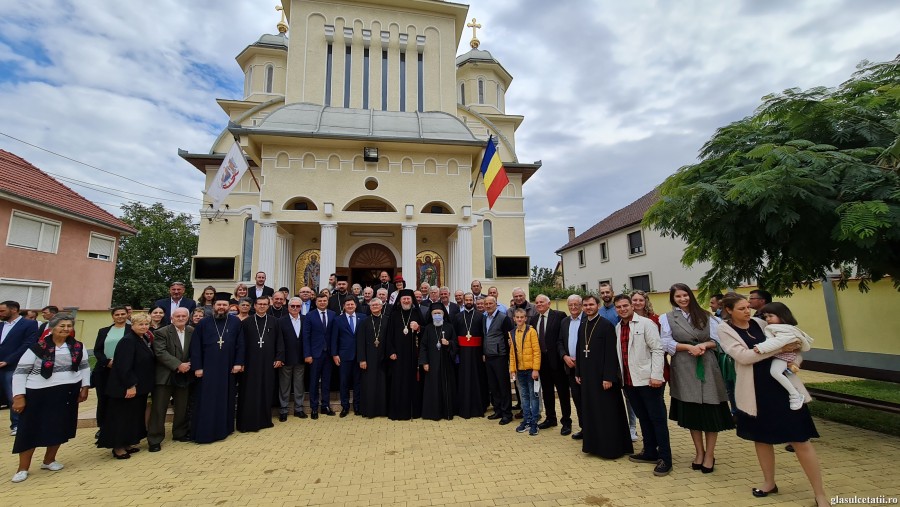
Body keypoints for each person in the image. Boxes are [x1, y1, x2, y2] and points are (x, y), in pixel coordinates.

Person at [717, 293, 826, 506]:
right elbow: (744, 357)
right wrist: (777, 349)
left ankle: (820, 493)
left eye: (748, 307)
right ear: (729, 310)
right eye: (741, 308)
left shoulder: (761, 322)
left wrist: (793, 359)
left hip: (784, 388)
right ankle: (769, 482)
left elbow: (794, 345)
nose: (748, 312)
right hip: (755, 391)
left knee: (800, 438)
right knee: (762, 438)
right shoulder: (725, 329)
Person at [660, 283, 733, 473]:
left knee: (710, 411)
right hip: (684, 366)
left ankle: (710, 454)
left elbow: (720, 340)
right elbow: (665, 342)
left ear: (690, 296)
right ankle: (699, 452)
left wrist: (705, 345)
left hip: (707, 364)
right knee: (692, 413)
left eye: (685, 295)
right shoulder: (667, 318)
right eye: (678, 297)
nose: (682, 299)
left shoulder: (706, 316)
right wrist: (688, 347)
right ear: (673, 299)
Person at [9, 314, 89, 483]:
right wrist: (19, 396)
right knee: (30, 429)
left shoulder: (77, 346)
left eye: (69, 326)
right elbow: (20, 372)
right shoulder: (37, 347)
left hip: (67, 391)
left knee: (59, 426)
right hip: (39, 392)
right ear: (52, 328)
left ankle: (49, 460)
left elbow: (84, 368)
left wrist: (85, 387)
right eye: (62, 326)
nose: (66, 329)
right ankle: (22, 468)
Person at [613, 295, 672, 477]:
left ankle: (665, 458)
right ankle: (649, 451)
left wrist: (656, 375)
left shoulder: (646, 324)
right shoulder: (618, 327)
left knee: (657, 419)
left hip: (649, 381)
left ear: (632, 306)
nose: (622, 309)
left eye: (625, 305)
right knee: (643, 418)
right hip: (630, 382)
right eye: (619, 307)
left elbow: (657, 349)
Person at [575, 295, 633, 459]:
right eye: (585, 305)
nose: (588, 307)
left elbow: (611, 354)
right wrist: (578, 371)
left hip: (603, 378)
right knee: (591, 410)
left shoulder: (606, 325)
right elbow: (580, 350)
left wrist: (608, 377)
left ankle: (611, 448)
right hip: (587, 376)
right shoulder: (583, 325)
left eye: (591, 304)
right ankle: (594, 445)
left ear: (598, 305)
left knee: (607, 412)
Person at [96, 313, 155, 459]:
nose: (144, 327)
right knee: (121, 417)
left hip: (139, 386)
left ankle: (127, 442)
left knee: (132, 416)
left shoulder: (142, 338)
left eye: (146, 324)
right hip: (125, 387)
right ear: (133, 325)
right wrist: (130, 385)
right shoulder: (128, 341)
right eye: (140, 324)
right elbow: (123, 366)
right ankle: (118, 447)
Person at [190, 294, 245, 444]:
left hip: (228, 368)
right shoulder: (204, 323)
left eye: (224, 305)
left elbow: (240, 344)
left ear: (229, 307)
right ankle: (205, 431)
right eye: (219, 305)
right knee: (207, 399)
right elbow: (195, 347)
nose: (221, 307)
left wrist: (238, 363)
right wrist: (198, 367)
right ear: (214, 306)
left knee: (225, 397)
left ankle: (224, 429)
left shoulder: (235, 322)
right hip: (207, 368)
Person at [148, 307, 193, 451]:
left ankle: (179, 433)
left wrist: (189, 364)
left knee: (182, 406)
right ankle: (154, 439)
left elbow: (196, 349)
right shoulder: (162, 332)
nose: (181, 318)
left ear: (188, 318)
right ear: (172, 318)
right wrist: (178, 365)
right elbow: (160, 352)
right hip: (165, 375)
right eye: (178, 316)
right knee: (159, 408)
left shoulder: (192, 331)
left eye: (183, 316)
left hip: (185, 375)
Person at [236, 297, 283, 432]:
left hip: (268, 362)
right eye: (259, 304)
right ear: (254, 306)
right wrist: (241, 361)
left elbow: (280, 340)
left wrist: (279, 357)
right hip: (250, 363)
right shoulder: (246, 322)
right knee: (249, 391)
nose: (262, 306)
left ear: (268, 306)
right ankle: (248, 421)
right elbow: (241, 344)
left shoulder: (275, 321)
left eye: (265, 304)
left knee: (266, 389)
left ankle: (264, 420)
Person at [756, 302, 814, 410]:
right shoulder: (780, 327)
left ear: (782, 315)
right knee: (780, 373)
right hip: (782, 355)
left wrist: (761, 348)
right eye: (766, 317)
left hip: (783, 355)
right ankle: (795, 394)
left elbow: (778, 342)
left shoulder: (783, 329)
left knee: (775, 372)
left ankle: (794, 394)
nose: (767, 319)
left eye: (771, 316)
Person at [530, 294, 570, 434]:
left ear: (548, 304)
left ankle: (566, 421)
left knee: (563, 392)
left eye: (542, 302)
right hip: (542, 362)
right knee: (547, 392)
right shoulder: (533, 319)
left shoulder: (559, 315)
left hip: (557, 361)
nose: (539, 304)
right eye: (537, 302)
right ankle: (550, 418)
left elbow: (564, 337)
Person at [1, 300, 40, 436]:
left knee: (14, 395)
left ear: (14, 310)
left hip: (14, 365)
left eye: (2, 311)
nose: (0, 314)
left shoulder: (29, 324)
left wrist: (8, 360)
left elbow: (28, 344)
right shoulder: (2, 325)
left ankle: (17, 424)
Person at [386, 289, 424, 420]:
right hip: (397, 356)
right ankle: (398, 412)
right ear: (400, 301)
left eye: (408, 299)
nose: (406, 301)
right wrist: (391, 351)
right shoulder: (394, 315)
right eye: (404, 299)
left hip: (414, 356)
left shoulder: (417, 314)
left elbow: (426, 332)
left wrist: (418, 328)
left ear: (412, 300)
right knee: (398, 383)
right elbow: (388, 335)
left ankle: (413, 411)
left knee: (413, 382)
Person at [91, 306, 130, 435]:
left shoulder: (131, 330)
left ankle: (119, 427)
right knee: (103, 399)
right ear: (113, 316)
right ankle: (102, 427)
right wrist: (106, 362)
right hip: (105, 369)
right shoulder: (104, 331)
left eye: (122, 314)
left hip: (123, 370)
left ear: (127, 315)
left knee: (120, 400)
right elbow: (97, 350)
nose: (120, 316)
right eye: (117, 314)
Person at [419, 303, 457, 421]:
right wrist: (425, 362)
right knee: (433, 387)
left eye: (439, 313)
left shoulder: (449, 327)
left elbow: (456, 344)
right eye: (434, 314)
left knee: (446, 387)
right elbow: (423, 346)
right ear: (431, 315)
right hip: (432, 363)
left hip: (446, 363)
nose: (437, 316)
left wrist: (449, 343)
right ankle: (432, 413)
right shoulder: (429, 328)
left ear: (443, 314)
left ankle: (447, 412)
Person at [303, 292, 336, 419]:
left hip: (328, 354)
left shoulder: (333, 315)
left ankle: (325, 406)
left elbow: (334, 335)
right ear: (316, 302)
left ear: (327, 302)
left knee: (327, 381)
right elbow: (306, 337)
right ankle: (314, 408)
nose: (322, 303)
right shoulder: (309, 316)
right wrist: (307, 354)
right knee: (314, 382)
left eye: (324, 301)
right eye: (320, 301)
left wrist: (334, 353)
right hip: (314, 354)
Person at [454, 293, 487, 419]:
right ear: (463, 301)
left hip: (477, 354)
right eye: (466, 299)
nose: (468, 301)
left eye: (470, 299)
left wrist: (483, 353)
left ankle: (478, 407)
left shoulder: (480, 316)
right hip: (462, 353)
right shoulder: (457, 317)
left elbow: (484, 335)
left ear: (473, 301)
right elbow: (455, 336)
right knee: (463, 379)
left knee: (477, 378)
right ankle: (463, 407)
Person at [483, 296, 514, 425]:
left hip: (500, 357)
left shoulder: (504, 318)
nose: (488, 305)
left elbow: (509, 338)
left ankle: (507, 414)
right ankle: (498, 410)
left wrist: (507, 356)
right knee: (493, 386)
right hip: (488, 357)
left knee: (503, 386)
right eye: (486, 303)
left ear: (496, 304)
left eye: (491, 303)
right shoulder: (484, 318)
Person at [509, 308, 540, 435]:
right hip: (520, 370)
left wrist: (535, 369)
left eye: (522, 317)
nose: (520, 319)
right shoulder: (512, 333)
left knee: (534, 396)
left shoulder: (531, 331)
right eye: (517, 317)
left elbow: (536, 351)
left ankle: (534, 422)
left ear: (526, 318)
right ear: (514, 319)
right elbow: (512, 353)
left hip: (531, 370)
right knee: (524, 396)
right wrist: (512, 369)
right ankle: (526, 420)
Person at [356, 297, 388, 418]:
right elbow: (360, 342)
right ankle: (369, 411)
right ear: (370, 307)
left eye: (377, 305)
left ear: (381, 306)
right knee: (369, 385)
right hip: (368, 358)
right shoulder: (364, 321)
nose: (374, 307)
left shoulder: (387, 320)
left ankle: (382, 410)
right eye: (372, 305)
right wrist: (362, 359)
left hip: (383, 358)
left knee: (382, 384)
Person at [332, 298, 363, 417]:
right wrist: (335, 354)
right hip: (344, 356)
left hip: (359, 356)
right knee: (344, 382)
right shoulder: (337, 320)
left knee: (358, 383)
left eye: (352, 304)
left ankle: (357, 406)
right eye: (347, 304)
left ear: (355, 305)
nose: (350, 306)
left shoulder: (362, 317)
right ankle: (345, 406)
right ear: (344, 306)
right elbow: (334, 339)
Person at [557, 294, 583, 439]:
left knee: (587, 400)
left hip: (585, 368)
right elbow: (560, 341)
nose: (573, 308)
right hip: (570, 366)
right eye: (570, 305)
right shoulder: (565, 321)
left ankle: (592, 429)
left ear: (581, 305)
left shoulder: (586, 320)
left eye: (576, 305)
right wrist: (564, 357)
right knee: (577, 399)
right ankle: (584, 428)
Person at [277, 297, 307, 420]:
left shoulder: (306, 320)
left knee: (299, 385)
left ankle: (299, 409)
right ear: (288, 307)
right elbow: (279, 341)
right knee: (284, 385)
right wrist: (280, 357)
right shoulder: (281, 321)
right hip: (286, 358)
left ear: (301, 307)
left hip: (301, 358)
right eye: (292, 306)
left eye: (297, 306)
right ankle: (283, 410)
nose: (295, 308)